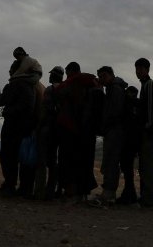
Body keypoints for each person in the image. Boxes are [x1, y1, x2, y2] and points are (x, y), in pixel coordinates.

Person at [55, 62, 99, 201]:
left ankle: (70, 192)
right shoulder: (93, 83)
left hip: (70, 129)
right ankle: (83, 192)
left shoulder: (70, 83)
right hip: (88, 130)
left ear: (70, 71)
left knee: (68, 161)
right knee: (85, 162)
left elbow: (59, 95)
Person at [0, 56, 40, 196]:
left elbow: (4, 101)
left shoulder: (17, 84)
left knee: (8, 156)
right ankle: (24, 188)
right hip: (27, 128)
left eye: (11, 69)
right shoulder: (35, 84)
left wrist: (8, 110)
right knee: (23, 159)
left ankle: (10, 186)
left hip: (13, 126)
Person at [135, 57, 153, 207]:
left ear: (147, 70)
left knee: (148, 166)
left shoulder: (149, 85)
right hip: (148, 132)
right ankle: (151, 197)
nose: (138, 72)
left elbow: (150, 110)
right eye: (137, 69)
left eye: (140, 69)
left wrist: (147, 127)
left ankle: (150, 198)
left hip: (149, 133)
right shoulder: (145, 85)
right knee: (147, 166)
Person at [95, 65, 127, 204]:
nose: (101, 79)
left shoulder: (115, 89)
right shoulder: (113, 88)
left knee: (111, 161)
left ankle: (109, 192)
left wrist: (106, 124)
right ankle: (108, 191)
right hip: (113, 130)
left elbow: (115, 111)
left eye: (103, 76)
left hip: (114, 130)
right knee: (110, 161)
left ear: (110, 75)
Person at [35, 65, 63, 200]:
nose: (50, 76)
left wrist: (39, 127)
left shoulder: (50, 90)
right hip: (59, 130)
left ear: (55, 75)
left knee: (41, 161)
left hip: (47, 128)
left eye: (52, 74)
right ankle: (51, 191)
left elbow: (44, 110)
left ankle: (39, 192)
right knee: (53, 161)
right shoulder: (65, 89)